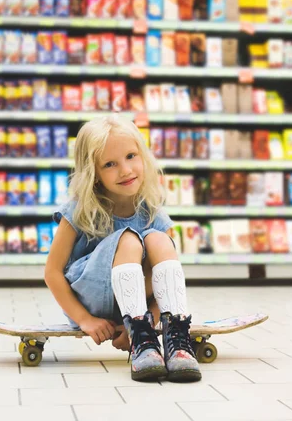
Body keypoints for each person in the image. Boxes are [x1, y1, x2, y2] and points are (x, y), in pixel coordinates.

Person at [44, 114, 201, 383]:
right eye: (110, 164)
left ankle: (173, 336)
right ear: (93, 174)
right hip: (93, 302)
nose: (126, 170)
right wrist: (84, 319)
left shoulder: (151, 210)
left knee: (161, 241)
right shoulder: (80, 211)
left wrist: (151, 319)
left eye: (131, 156)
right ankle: (141, 334)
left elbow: (162, 278)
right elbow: (52, 272)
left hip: (137, 308)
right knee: (128, 239)